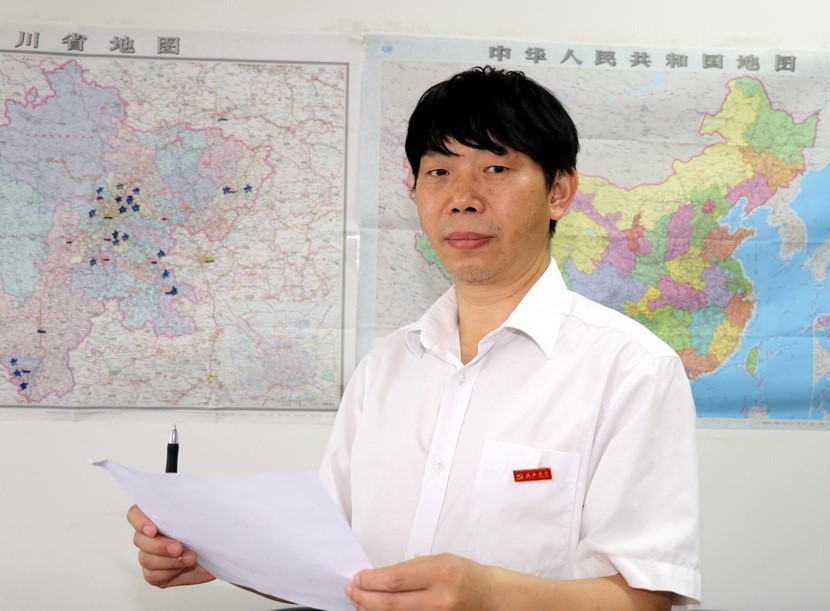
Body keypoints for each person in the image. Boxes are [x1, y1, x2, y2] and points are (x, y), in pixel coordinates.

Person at [129, 66, 701, 610]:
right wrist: (214, 552)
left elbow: (645, 596)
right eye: (439, 172)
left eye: (495, 169)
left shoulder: (631, 367)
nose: (463, 197)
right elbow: (331, 568)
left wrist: (490, 597)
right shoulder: (386, 366)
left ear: (560, 191)